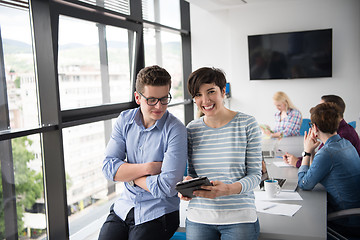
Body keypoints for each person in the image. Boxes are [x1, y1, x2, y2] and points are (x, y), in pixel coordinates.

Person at [99, 65, 187, 240]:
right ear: (138, 98)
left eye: (164, 99)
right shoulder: (125, 120)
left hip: (159, 212)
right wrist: (149, 168)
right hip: (124, 207)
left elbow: (168, 187)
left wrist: (129, 176)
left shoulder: (176, 130)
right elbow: (108, 168)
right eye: (152, 100)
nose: (159, 106)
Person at [180, 67, 262, 240]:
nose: (205, 100)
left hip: (239, 216)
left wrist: (229, 189)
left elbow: (255, 175)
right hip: (199, 217)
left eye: (211, 92)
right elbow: (192, 174)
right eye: (198, 95)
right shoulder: (191, 129)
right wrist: (187, 185)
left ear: (223, 91)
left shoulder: (247, 124)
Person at [297, 102, 360, 237]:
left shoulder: (327, 153)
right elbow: (315, 171)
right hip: (355, 213)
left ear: (314, 127)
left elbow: (304, 184)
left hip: (346, 220)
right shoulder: (345, 143)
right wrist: (312, 152)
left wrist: (306, 151)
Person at [283, 94, 360, 167]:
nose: (318, 111)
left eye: (321, 108)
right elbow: (319, 156)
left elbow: (321, 164)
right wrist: (298, 158)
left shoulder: (343, 135)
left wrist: (297, 162)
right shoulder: (334, 130)